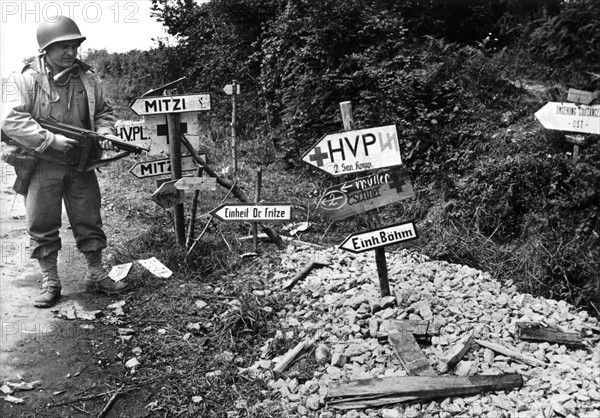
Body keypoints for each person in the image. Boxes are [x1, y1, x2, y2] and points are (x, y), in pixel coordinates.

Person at [1, 16, 128, 308]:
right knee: (42, 223)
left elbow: (105, 112)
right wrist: (49, 140)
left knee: (89, 218)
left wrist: (106, 132)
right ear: (46, 49)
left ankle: (96, 273)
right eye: (63, 47)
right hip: (42, 162)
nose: (71, 52)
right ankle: (51, 281)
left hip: (81, 162)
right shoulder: (25, 79)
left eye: (74, 46)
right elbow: (10, 119)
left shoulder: (89, 78)